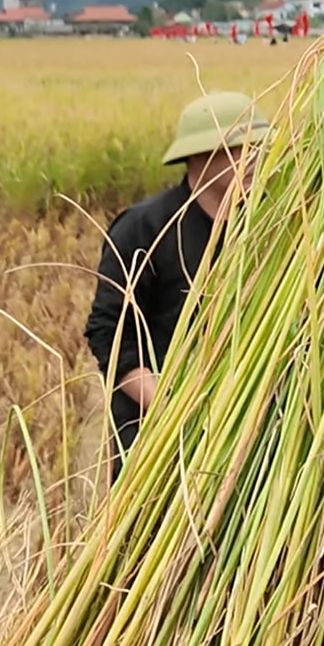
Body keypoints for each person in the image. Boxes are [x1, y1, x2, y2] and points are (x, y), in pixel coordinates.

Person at [83, 90, 269, 480]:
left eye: (259, 148)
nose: (255, 160)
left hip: (251, 431)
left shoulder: (270, 223)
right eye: (241, 148)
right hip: (158, 435)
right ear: (201, 155)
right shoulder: (144, 228)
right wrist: (173, 411)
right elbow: (110, 335)